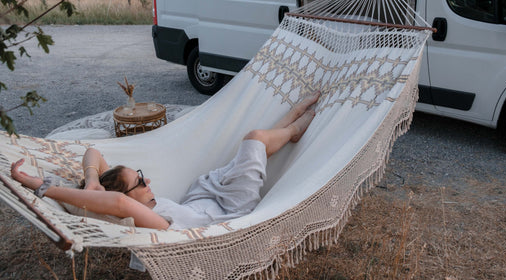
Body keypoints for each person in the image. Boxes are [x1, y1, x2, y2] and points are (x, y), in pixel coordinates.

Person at [10, 92, 320, 230]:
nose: (148, 182)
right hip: (231, 207)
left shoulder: (134, 200)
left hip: (203, 193)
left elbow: (94, 153)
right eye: (140, 183)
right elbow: (118, 206)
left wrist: (92, 180)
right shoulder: (155, 223)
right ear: (125, 197)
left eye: (141, 176)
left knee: (251, 150)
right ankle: (293, 127)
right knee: (253, 139)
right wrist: (43, 187)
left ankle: (287, 121)